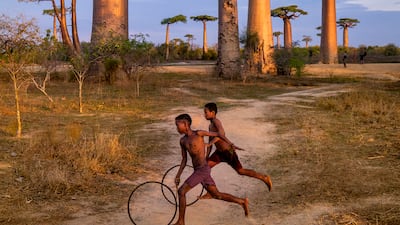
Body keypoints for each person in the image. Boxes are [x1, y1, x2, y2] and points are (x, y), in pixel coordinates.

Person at [173, 114, 249, 225]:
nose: (176, 128)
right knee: (216, 195)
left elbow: (219, 134)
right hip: (198, 170)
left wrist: (231, 144)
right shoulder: (182, 141)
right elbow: (184, 159)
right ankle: (242, 202)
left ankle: (181, 222)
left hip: (202, 170)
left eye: (177, 125)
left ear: (185, 124)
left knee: (181, 191)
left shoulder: (198, 134)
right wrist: (178, 175)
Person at [201, 102, 272, 200]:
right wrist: (206, 156)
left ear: (213, 112)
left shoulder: (217, 122)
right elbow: (210, 142)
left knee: (240, 171)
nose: (204, 114)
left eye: (206, 112)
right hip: (219, 153)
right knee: (204, 168)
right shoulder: (210, 126)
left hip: (228, 152)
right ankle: (210, 191)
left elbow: (221, 134)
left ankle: (264, 177)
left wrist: (210, 143)